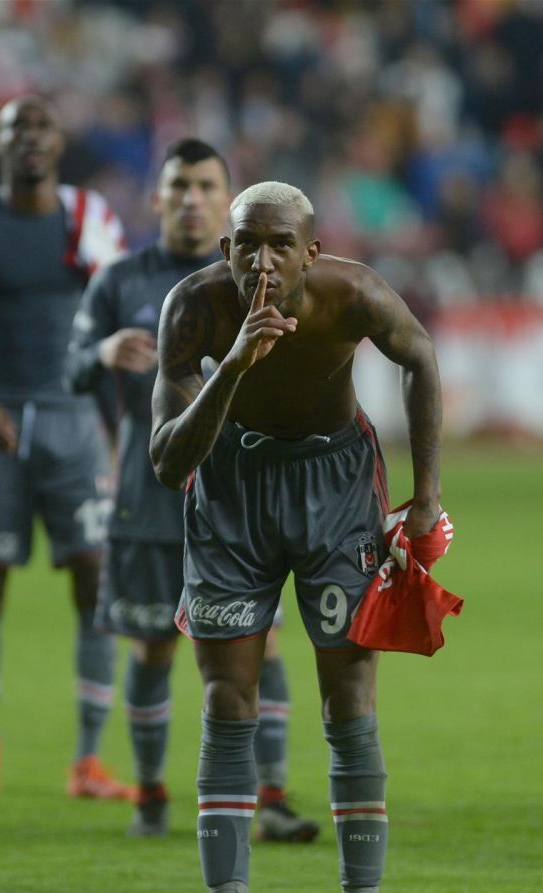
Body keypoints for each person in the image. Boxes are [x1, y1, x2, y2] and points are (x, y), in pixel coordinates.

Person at [150, 181, 442, 893]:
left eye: (282, 244)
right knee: (226, 700)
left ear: (313, 253)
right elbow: (168, 462)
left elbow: (421, 358)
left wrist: (426, 498)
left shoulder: (355, 295)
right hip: (231, 488)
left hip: (336, 487)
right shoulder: (196, 308)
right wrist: (235, 369)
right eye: (247, 243)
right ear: (226, 250)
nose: (263, 260)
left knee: (349, 697)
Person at [65, 140, 319, 841]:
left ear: (226, 204)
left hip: (238, 500)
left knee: (261, 645)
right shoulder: (118, 279)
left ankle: (270, 799)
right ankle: (150, 794)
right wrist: (100, 353)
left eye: (205, 184)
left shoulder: (256, 279)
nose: (189, 196)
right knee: (150, 647)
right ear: (158, 197)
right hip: (149, 495)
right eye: (178, 184)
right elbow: (68, 369)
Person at [0, 95, 132, 800]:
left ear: (58, 138)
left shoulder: (89, 221)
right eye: (17, 129)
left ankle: (88, 760)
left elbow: (113, 323)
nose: (31, 140)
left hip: (74, 422)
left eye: (42, 127)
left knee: (95, 587)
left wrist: (120, 425)